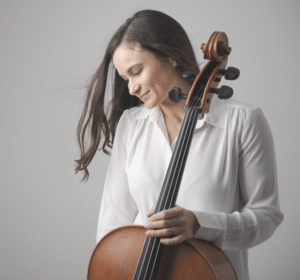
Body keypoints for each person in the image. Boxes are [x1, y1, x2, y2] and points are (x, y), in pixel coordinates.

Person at [75, 9, 284, 280]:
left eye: (136, 72)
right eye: (125, 79)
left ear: (170, 55)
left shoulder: (243, 122)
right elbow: (114, 220)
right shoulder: (131, 123)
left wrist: (202, 225)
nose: (131, 89)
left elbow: (267, 216)